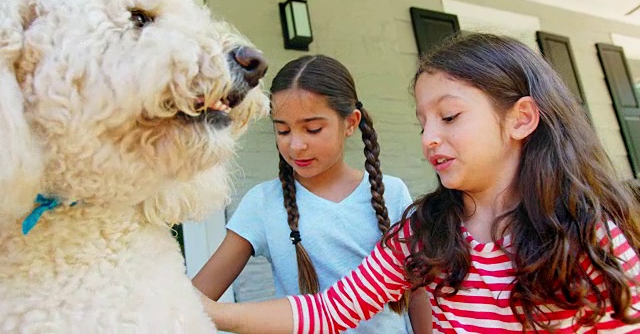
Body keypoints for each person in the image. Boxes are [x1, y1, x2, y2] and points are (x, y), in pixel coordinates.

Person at [201, 33, 640, 333]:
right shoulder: (425, 229)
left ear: (520, 118)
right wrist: (209, 312)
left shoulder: (589, 233)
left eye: (449, 117)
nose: (429, 137)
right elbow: (331, 309)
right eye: (423, 122)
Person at [192, 54, 432, 333]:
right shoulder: (263, 203)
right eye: (282, 130)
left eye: (313, 129)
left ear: (351, 123)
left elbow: (418, 291)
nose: (296, 145)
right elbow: (196, 297)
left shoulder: (393, 192)